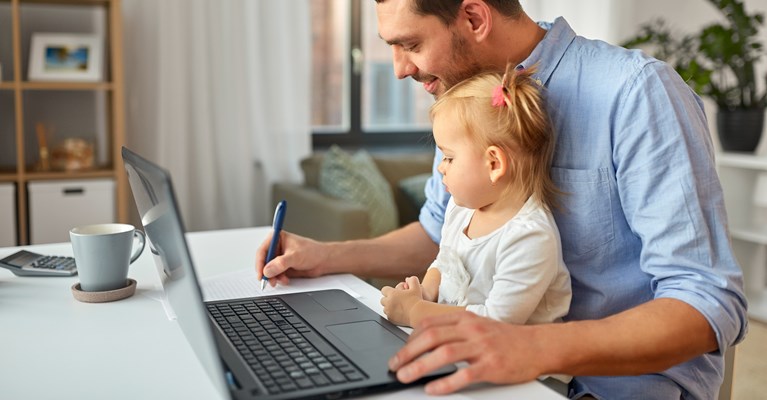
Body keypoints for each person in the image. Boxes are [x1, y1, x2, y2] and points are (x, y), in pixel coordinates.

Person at [256, 0, 748, 398]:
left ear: (473, 17)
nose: (400, 69)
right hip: (496, 369)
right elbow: (436, 233)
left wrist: (528, 346)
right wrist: (325, 257)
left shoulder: (636, 92)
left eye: (410, 44)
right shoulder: (466, 104)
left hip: (615, 386)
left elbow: (706, 302)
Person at [379, 65, 571, 333]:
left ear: (494, 164)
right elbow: (444, 262)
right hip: (463, 349)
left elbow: (496, 323)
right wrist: (424, 293)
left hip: (525, 370)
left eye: (449, 157)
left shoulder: (529, 237)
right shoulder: (461, 211)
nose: (440, 167)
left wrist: (415, 312)